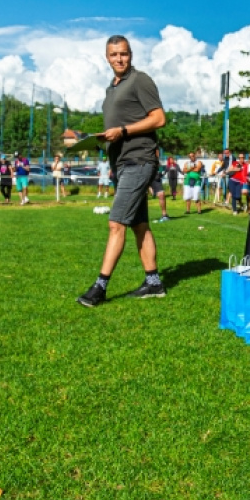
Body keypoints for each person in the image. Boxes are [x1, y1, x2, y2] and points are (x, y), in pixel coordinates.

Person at [77, 35, 167, 307]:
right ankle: (154, 283)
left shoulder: (140, 80)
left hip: (138, 161)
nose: (120, 59)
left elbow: (159, 118)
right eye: (114, 55)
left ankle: (99, 288)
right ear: (107, 57)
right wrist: (104, 140)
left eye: (124, 54)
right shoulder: (111, 89)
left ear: (131, 55)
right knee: (139, 225)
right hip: (122, 163)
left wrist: (124, 131)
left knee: (116, 223)